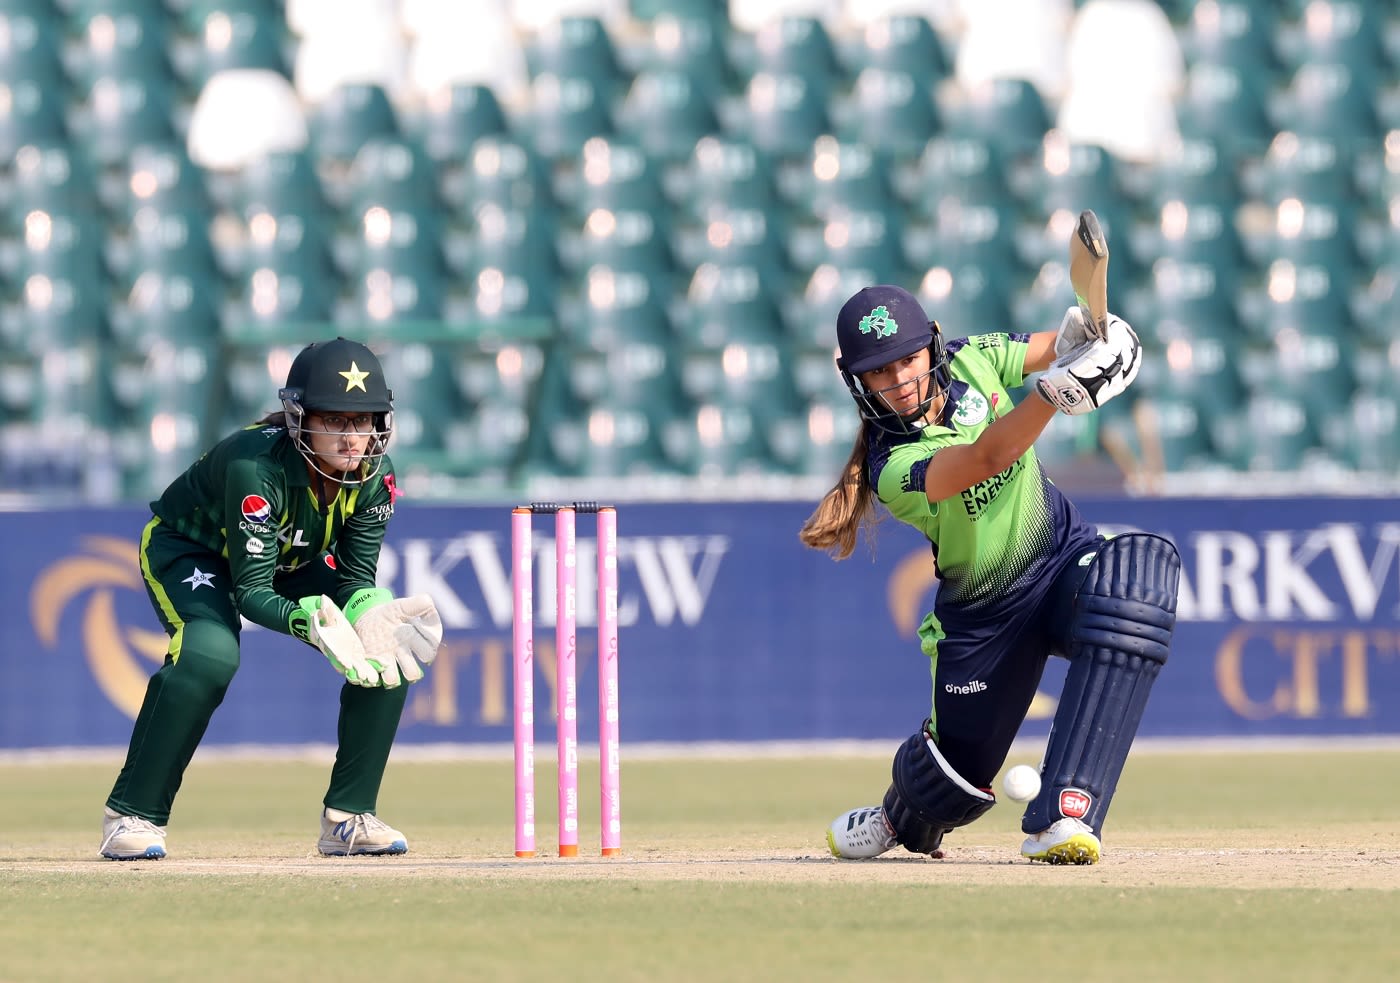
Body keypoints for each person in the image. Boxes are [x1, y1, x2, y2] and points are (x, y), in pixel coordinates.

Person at [800, 285, 1179, 865]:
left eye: (907, 360)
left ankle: (1066, 816)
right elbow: (985, 459)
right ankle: (897, 816)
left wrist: (1097, 338)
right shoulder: (891, 465)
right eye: (879, 372)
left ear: (930, 349)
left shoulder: (971, 358)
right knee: (953, 780)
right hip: (984, 617)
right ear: (858, 382)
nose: (898, 379)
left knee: (1133, 584)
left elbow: (1056, 346)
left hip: (1059, 560)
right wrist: (1060, 391)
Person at [100, 337, 444, 861]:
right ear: (298, 418)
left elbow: (353, 579)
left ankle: (348, 817)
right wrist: (306, 620)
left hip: (290, 560)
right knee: (209, 656)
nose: (355, 438)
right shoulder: (255, 468)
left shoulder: (378, 478)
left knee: (385, 646)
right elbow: (253, 591)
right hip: (193, 550)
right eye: (337, 421)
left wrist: (365, 611)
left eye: (366, 420)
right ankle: (132, 814)